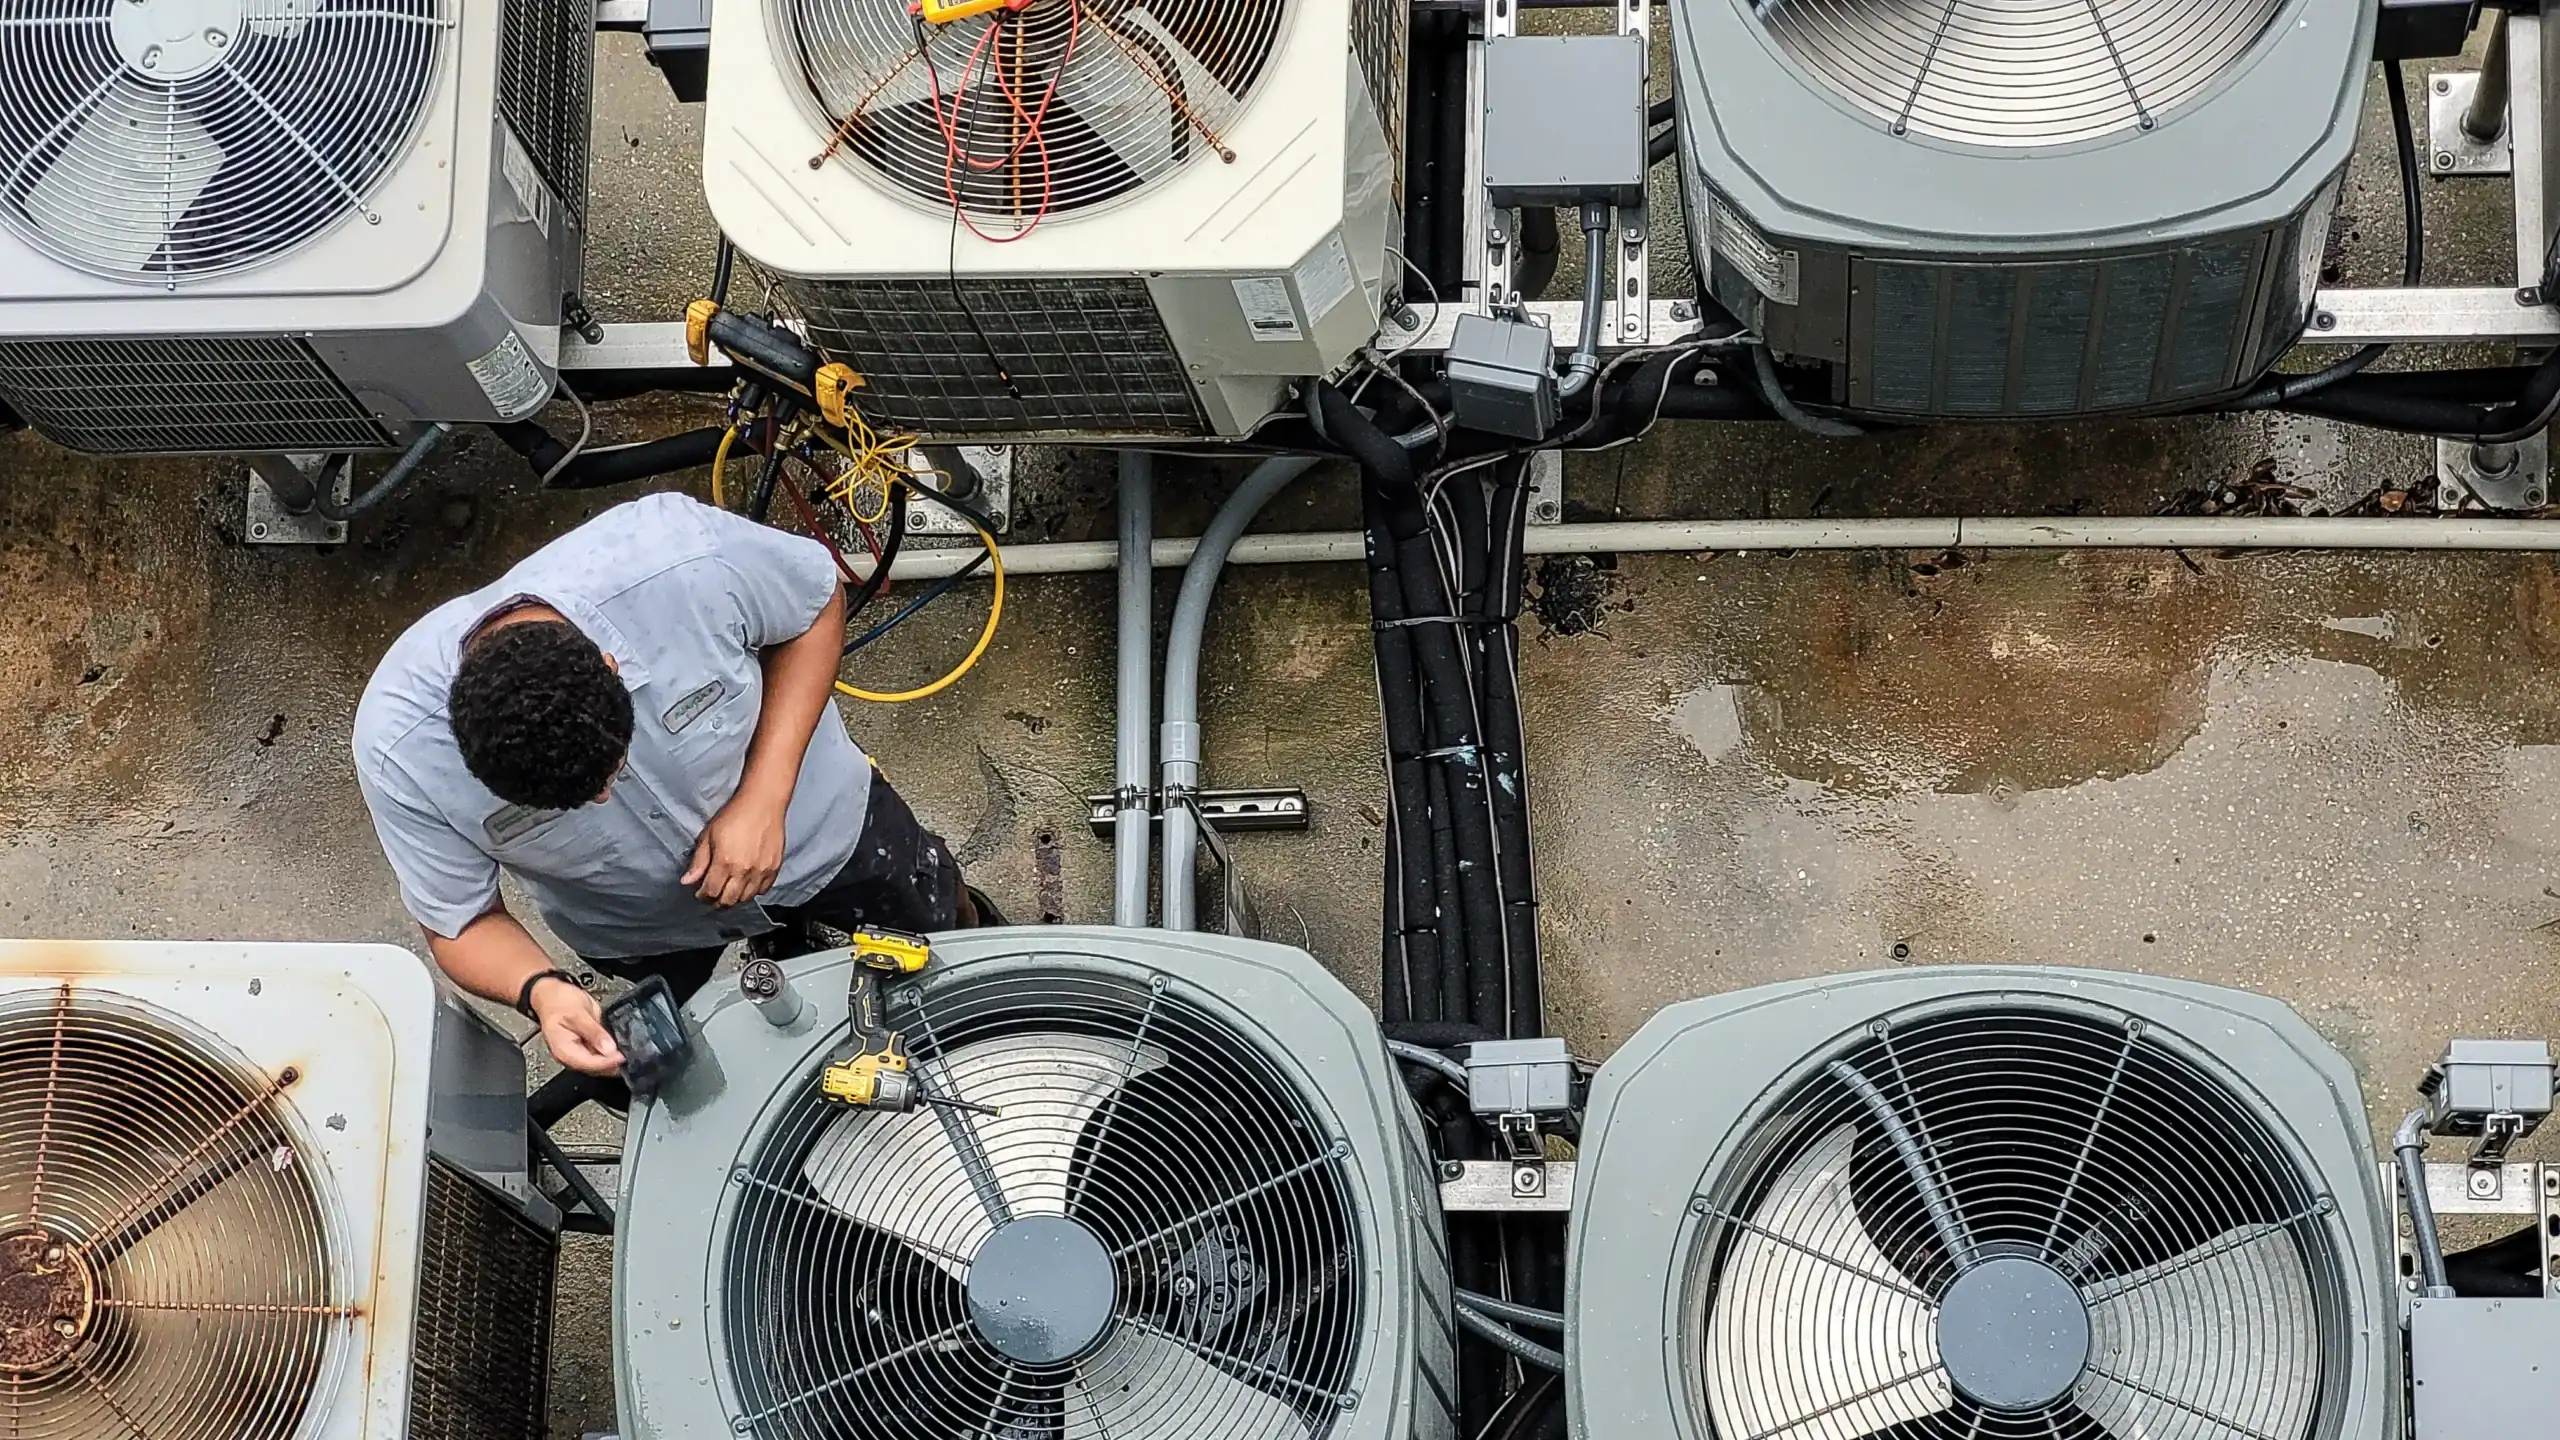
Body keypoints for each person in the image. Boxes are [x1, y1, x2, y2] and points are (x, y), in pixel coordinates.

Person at [353, 492, 996, 1098]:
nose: (606, 800)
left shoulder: (678, 557)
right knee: (684, 1083)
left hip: (822, 834)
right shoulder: (399, 751)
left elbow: (816, 604)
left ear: (609, 664)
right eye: (566, 810)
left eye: (612, 767)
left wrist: (765, 796)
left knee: (944, 942)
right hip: (641, 929)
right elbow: (461, 919)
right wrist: (541, 990)